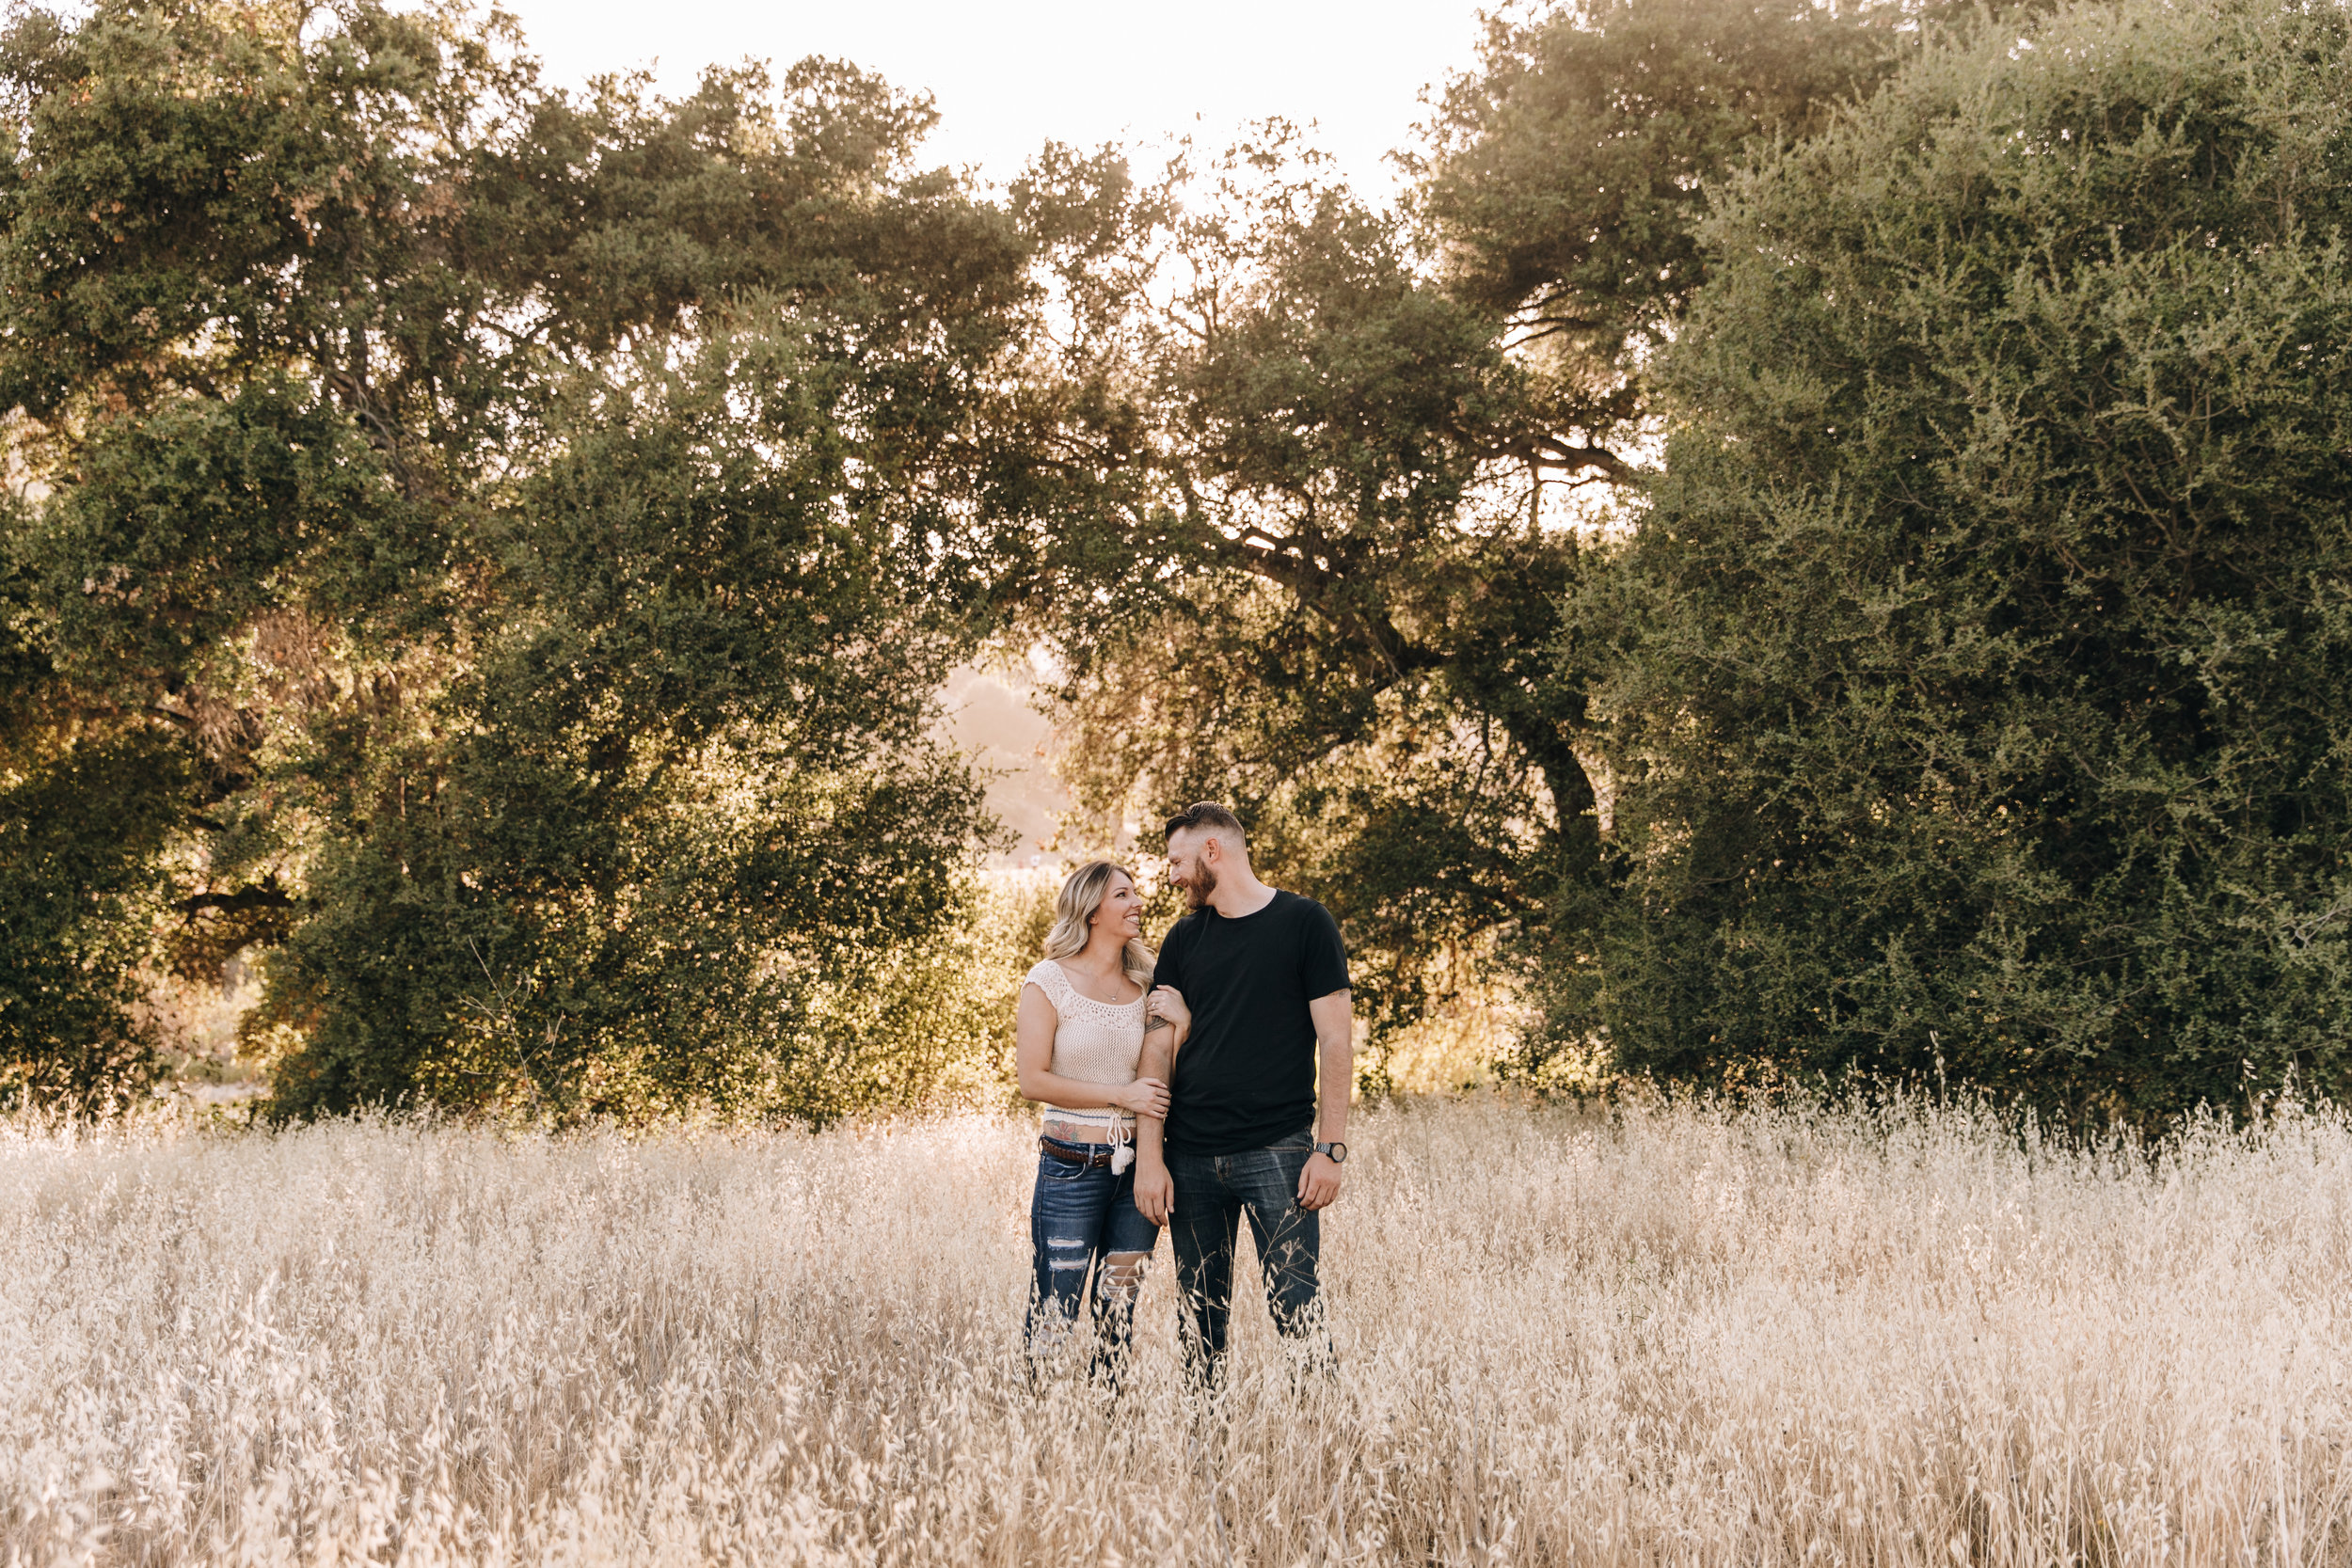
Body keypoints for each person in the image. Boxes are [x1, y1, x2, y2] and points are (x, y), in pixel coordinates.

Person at [1137, 802, 1352, 1388]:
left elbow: (1335, 1041)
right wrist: (1151, 1157)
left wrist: (1329, 1150)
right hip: (1189, 1158)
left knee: (1299, 1316)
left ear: (1213, 852)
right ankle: (1208, 1463)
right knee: (1198, 1330)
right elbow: (1157, 1052)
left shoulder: (1306, 923)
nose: (1172, 876)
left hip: (1278, 1154)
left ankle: (1324, 1455)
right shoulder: (1182, 938)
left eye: (1178, 862)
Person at [1013, 859, 1177, 1380]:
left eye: (1135, 894)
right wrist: (1119, 1094)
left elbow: (1167, 1071)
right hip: (1069, 1169)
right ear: (1091, 911)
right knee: (1055, 1310)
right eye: (1123, 896)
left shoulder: (1148, 983)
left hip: (1137, 1175)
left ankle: (1106, 1438)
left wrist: (1185, 1025)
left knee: (1117, 1311)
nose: (1138, 904)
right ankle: (1037, 1425)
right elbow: (1032, 1080)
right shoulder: (1049, 981)